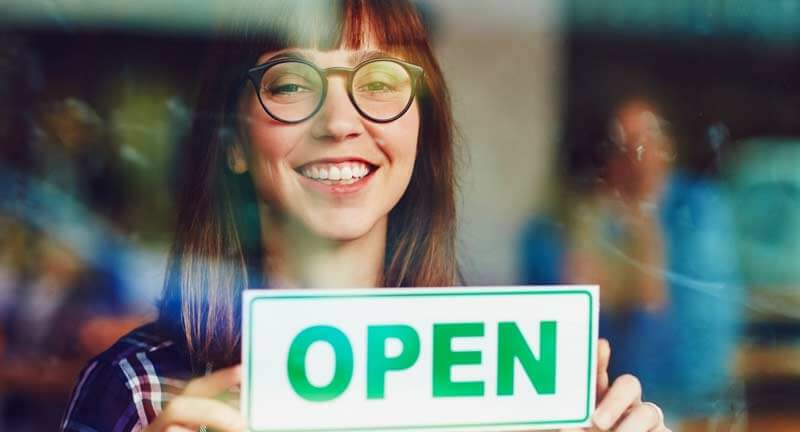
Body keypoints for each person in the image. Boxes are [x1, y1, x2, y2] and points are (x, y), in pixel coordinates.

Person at [61, 1, 668, 431]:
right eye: (292, 84)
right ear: (234, 143)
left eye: (379, 80)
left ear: (419, 134)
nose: (340, 121)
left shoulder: (502, 384)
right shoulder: (141, 391)